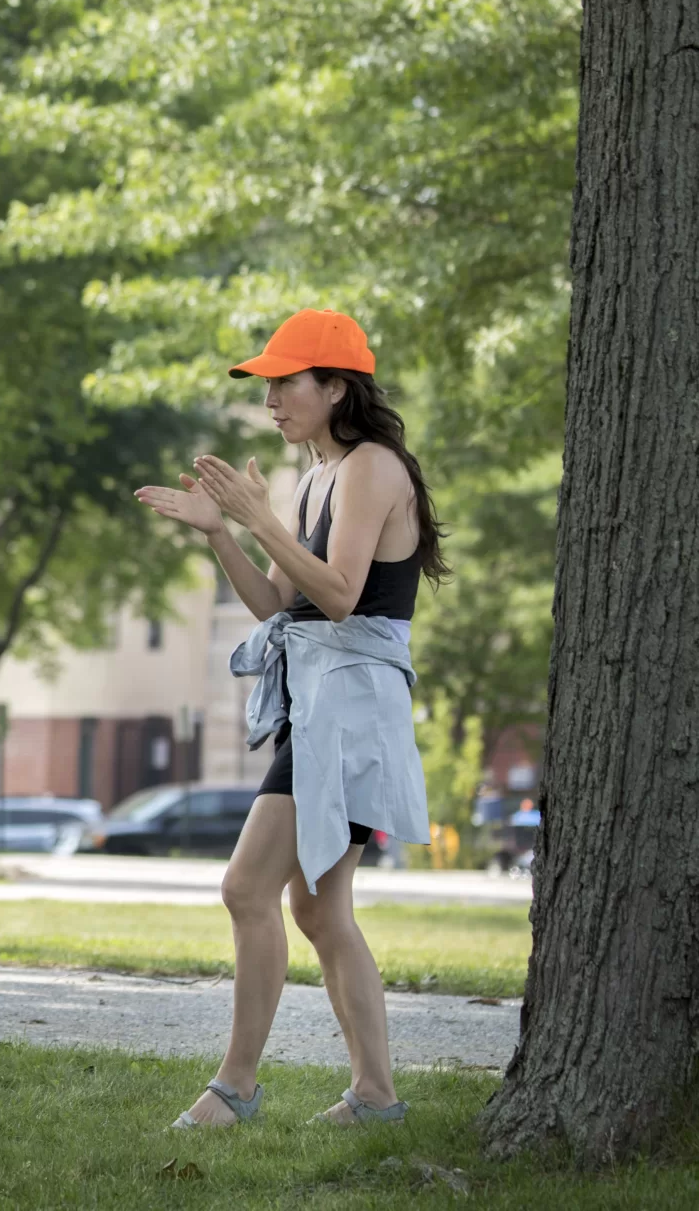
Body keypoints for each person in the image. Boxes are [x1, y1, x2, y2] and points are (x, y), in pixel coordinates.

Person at [135, 308, 449, 1129]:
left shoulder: (372, 468)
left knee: (246, 887)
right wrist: (219, 533)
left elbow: (342, 597)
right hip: (317, 707)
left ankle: (233, 1088)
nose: (271, 399)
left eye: (285, 382)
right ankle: (375, 1096)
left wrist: (257, 516)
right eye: (266, 385)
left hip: (348, 712)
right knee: (315, 908)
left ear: (335, 386)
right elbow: (279, 603)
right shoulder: (312, 476)